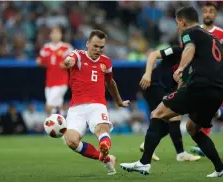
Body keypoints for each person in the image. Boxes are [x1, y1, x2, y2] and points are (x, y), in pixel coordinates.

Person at [120, 6, 223, 177]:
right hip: (217, 91)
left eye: (177, 23)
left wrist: (181, 67)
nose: (177, 27)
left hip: (201, 87)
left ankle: (144, 163)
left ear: (183, 21)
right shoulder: (214, 39)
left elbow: (189, 48)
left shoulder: (190, 32)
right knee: (192, 128)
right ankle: (220, 168)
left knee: (158, 113)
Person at [63, 29, 130, 175]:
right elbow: (70, 60)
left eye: (101, 47)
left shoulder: (106, 61)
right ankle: (106, 159)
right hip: (76, 108)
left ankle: (104, 146)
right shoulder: (78, 55)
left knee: (101, 129)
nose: (98, 50)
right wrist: (68, 61)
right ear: (87, 43)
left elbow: (110, 82)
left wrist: (119, 102)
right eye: (95, 46)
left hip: (97, 105)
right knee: (71, 141)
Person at [138, 45, 200, 162]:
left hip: (165, 89)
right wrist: (147, 73)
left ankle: (147, 144)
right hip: (154, 85)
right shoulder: (178, 50)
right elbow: (153, 55)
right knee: (173, 113)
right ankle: (181, 153)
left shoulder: (196, 60)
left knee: (166, 124)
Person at [191, 2, 223, 156]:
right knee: (205, 107)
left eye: (211, 11)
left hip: (218, 76)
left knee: (211, 106)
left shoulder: (221, 33)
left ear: (215, 15)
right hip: (201, 76)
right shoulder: (196, 32)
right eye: (205, 11)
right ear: (201, 14)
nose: (208, 14)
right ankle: (204, 138)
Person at [36, 26, 73, 115]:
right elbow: (40, 61)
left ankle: (50, 125)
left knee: (49, 106)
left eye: (58, 33)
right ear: (50, 35)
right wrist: (39, 62)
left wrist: (65, 65)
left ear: (61, 35)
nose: (55, 35)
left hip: (61, 82)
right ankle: (61, 125)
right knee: (57, 106)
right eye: (53, 33)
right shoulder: (46, 48)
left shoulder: (66, 47)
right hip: (49, 83)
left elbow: (73, 61)